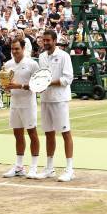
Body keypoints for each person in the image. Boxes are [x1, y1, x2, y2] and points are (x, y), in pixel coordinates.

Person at [36, 30, 75, 182]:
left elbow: (68, 78)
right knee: (48, 133)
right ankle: (49, 168)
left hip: (60, 100)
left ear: (54, 40)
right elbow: (40, 77)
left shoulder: (64, 56)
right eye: (43, 40)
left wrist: (49, 82)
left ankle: (70, 169)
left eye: (47, 40)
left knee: (65, 132)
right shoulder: (41, 57)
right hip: (45, 99)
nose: (45, 43)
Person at [2, 38, 41, 179]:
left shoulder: (32, 64)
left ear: (23, 49)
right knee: (17, 134)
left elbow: (38, 85)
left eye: (17, 49)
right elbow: (6, 84)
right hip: (14, 104)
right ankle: (19, 167)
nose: (14, 52)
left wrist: (19, 86)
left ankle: (34, 167)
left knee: (32, 134)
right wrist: (6, 88)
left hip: (28, 104)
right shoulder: (7, 64)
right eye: (12, 49)